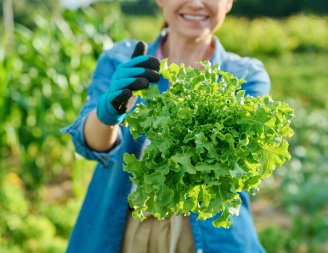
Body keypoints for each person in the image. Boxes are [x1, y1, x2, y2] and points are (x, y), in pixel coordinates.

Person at [62, 0, 270, 252]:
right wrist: (109, 113)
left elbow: (234, 161)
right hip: (129, 228)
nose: (195, 3)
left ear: (228, 3)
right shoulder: (122, 59)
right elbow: (92, 145)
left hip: (212, 235)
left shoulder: (245, 75)